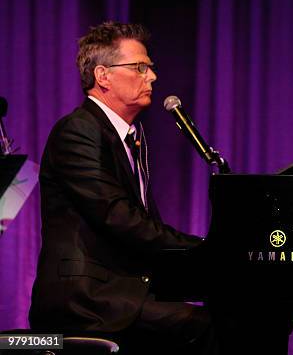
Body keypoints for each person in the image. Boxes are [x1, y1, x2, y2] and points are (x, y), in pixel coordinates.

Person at [29, 22, 217, 354]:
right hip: (87, 299)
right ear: (103, 76)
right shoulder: (78, 131)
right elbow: (118, 217)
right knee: (208, 328)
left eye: (151, 68)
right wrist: (206, 251)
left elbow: (142, 227)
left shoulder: (131, 137)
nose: (153, 77)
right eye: (140, 67)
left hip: (123, 291)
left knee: (229, 317)